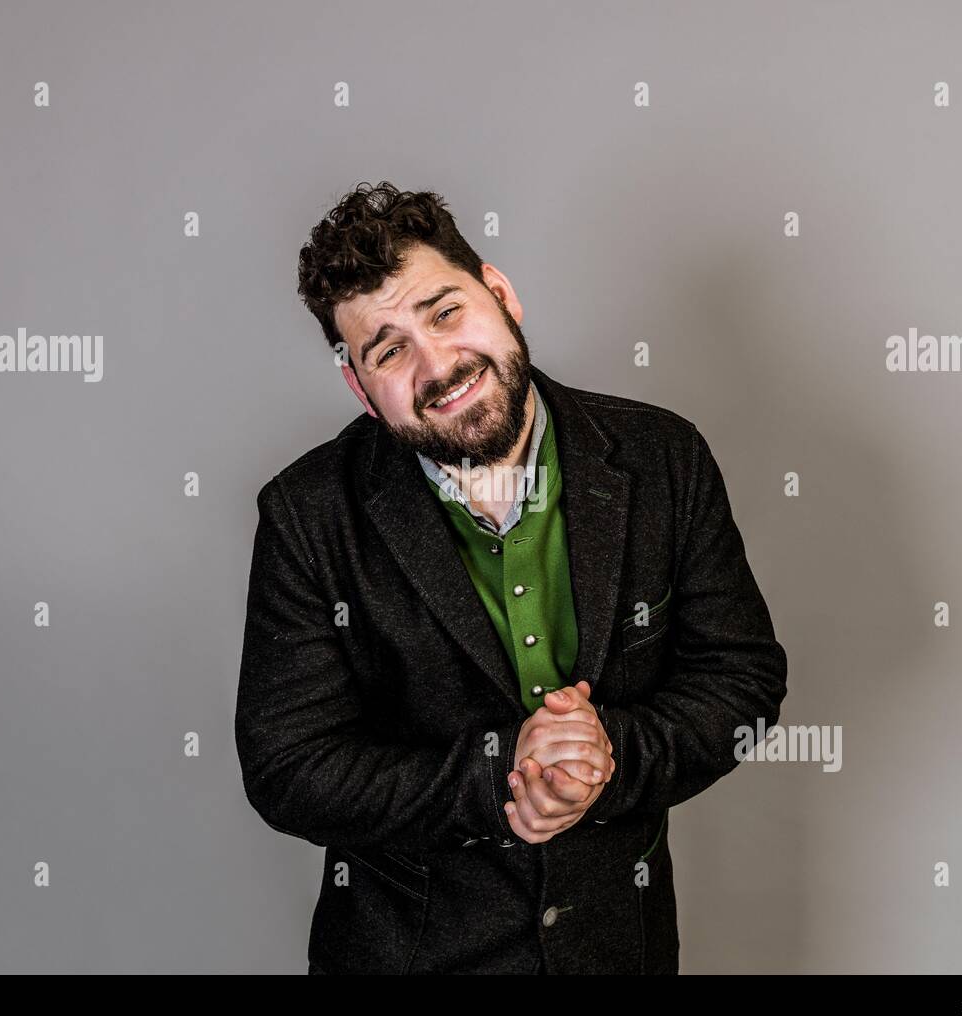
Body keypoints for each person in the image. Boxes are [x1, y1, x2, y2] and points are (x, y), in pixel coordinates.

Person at [235, 181, 787, 974]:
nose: (437, 364)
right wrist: (498, 769)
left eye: (445, 311)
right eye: (387, 350)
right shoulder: (307, 513)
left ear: (501, 293)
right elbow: (290, 766)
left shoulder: (665, 456)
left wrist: (612, 755)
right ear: (359, 386)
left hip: (617, 951)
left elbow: (741, 677)